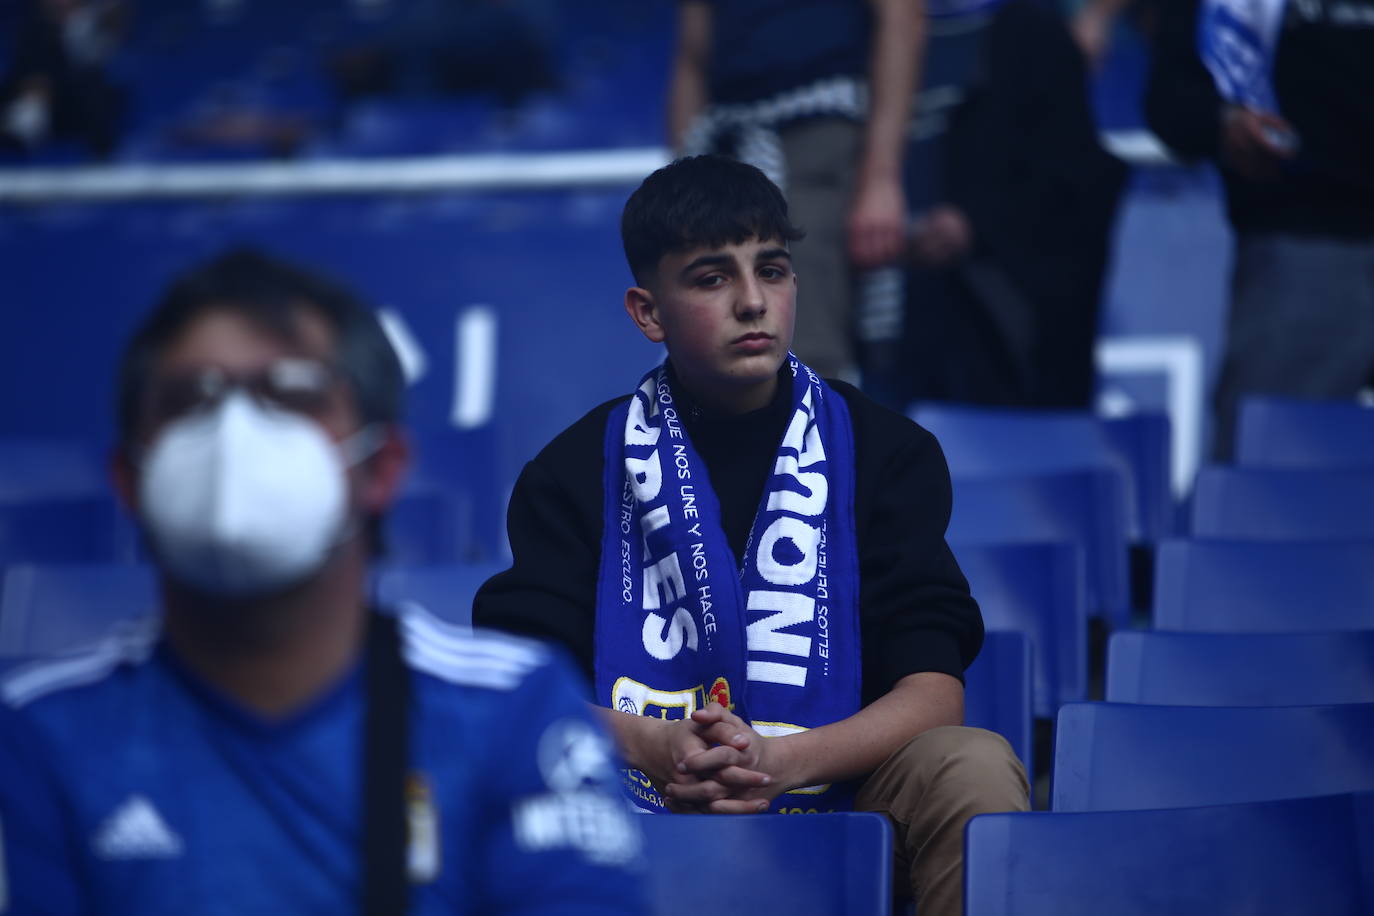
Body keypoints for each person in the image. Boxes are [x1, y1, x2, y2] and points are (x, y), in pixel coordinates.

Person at [0, 249, 646, 914]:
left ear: (381, 467)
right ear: (131, 476)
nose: (235, 436)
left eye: (291, 395)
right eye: (190, 400)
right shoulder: (35, 736)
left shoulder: (511, 710)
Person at [473, 155, 1029, 915]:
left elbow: (935, 695)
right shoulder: (573, 472)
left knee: (974, 764)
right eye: (711, 278)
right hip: (639, 792)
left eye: (772, 270)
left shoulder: (886, 451)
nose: (751, 302)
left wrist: (780, 760)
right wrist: (657, 747)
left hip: (842, 789)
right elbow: (527, 685)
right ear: (648, 312)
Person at [861, 0, 1127, 409]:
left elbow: (1073, 184)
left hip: (991, 348)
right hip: (869, 311)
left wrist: (975, 224)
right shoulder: (848, 31)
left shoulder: (1030, 32)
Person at [1146, 0, 1374, 458]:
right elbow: (1171, 93)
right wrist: (1223, 123)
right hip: (1305, 243)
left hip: (1304, 245)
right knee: (1266, 493)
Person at [667, 0, 924, 381]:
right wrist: (681, 184)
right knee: (711, 346)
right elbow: (692, 58)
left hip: (817, 140)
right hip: (725, 147)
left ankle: (821, 435)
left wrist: (880, 179)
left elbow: (902, 20)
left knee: (805, 351)